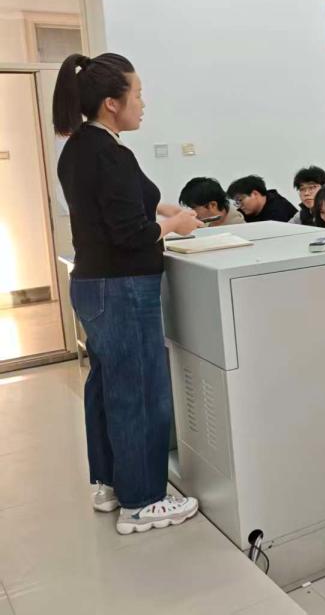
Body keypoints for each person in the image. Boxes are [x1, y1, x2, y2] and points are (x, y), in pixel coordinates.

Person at [54, 52, 203, 534]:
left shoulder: (81, 147)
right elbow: (130, 233)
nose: (143, 103)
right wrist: (174, 227)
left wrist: (168, 211)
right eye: (137, 94)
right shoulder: (110, 153)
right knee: (139, 392)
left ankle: (112, 484)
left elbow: (128, 200)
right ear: (112, 103)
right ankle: (142, 501)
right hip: (123, 288)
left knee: (108, 387)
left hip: (93, 286)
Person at [227, 175, 298, 223]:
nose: (240, 206)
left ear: (255, 194)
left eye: (240, 200)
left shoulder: (277, 209)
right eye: (237, 202)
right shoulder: (248, 211)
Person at [178, 177, 245, 226]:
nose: (192, 212)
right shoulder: (203, 222)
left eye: (194, 208)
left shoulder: (238, 225)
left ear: (213, 205)